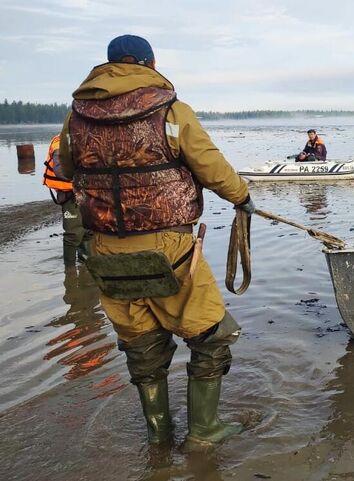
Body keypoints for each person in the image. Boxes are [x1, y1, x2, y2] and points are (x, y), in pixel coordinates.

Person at [59, 34, 256, 449]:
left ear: (108, 66)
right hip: (169, 247)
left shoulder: (76, 118)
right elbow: (211, 166)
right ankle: (203, 432)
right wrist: (243, 197)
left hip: (105, 247)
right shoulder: (170, 110)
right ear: (151, 63)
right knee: (213, 335)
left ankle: (159, 436)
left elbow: (66, 165)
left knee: (142, 345)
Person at [42, 133, 92, 267]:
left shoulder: (86, 138)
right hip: (70, 194)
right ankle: (69, 271)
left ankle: (86, 267)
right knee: (73, 234)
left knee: (89, 232)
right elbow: (60, 170)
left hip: (89, 193)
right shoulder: (60, 142)